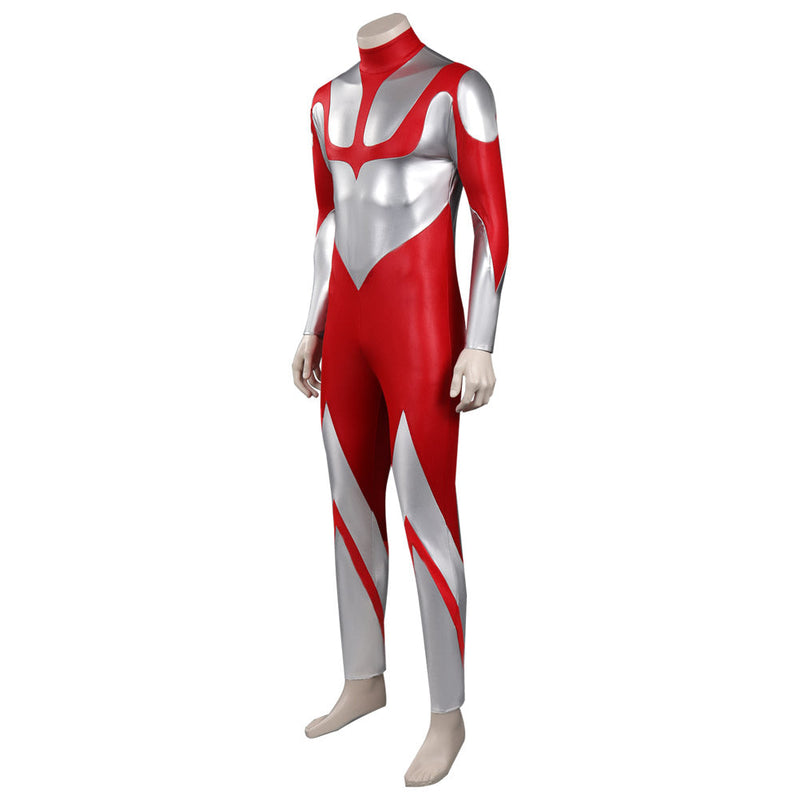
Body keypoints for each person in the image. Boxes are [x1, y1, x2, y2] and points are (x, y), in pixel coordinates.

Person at [291, 12, 509, 787]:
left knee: (427, 513)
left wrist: (481, 340)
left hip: (422, 336)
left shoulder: (458, 89)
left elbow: (491, 219)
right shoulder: (324, 100)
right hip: (346, 335)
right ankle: (364, 680)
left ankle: (448, 715)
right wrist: (312, 323)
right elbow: (328, 220)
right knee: (349, 503)